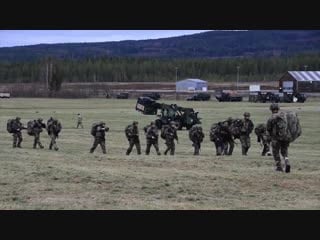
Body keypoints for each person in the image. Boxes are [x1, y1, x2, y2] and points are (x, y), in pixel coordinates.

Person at [266, 103, 291, 172]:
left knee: (275, 152)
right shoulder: (284, 116)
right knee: (284, 151)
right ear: (278, 109)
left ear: (271, 109)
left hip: (276, 138)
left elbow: (268, 129)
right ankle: (287, 160)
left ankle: (279, 167)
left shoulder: (271, 118)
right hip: (286, 137)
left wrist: (269, 138)